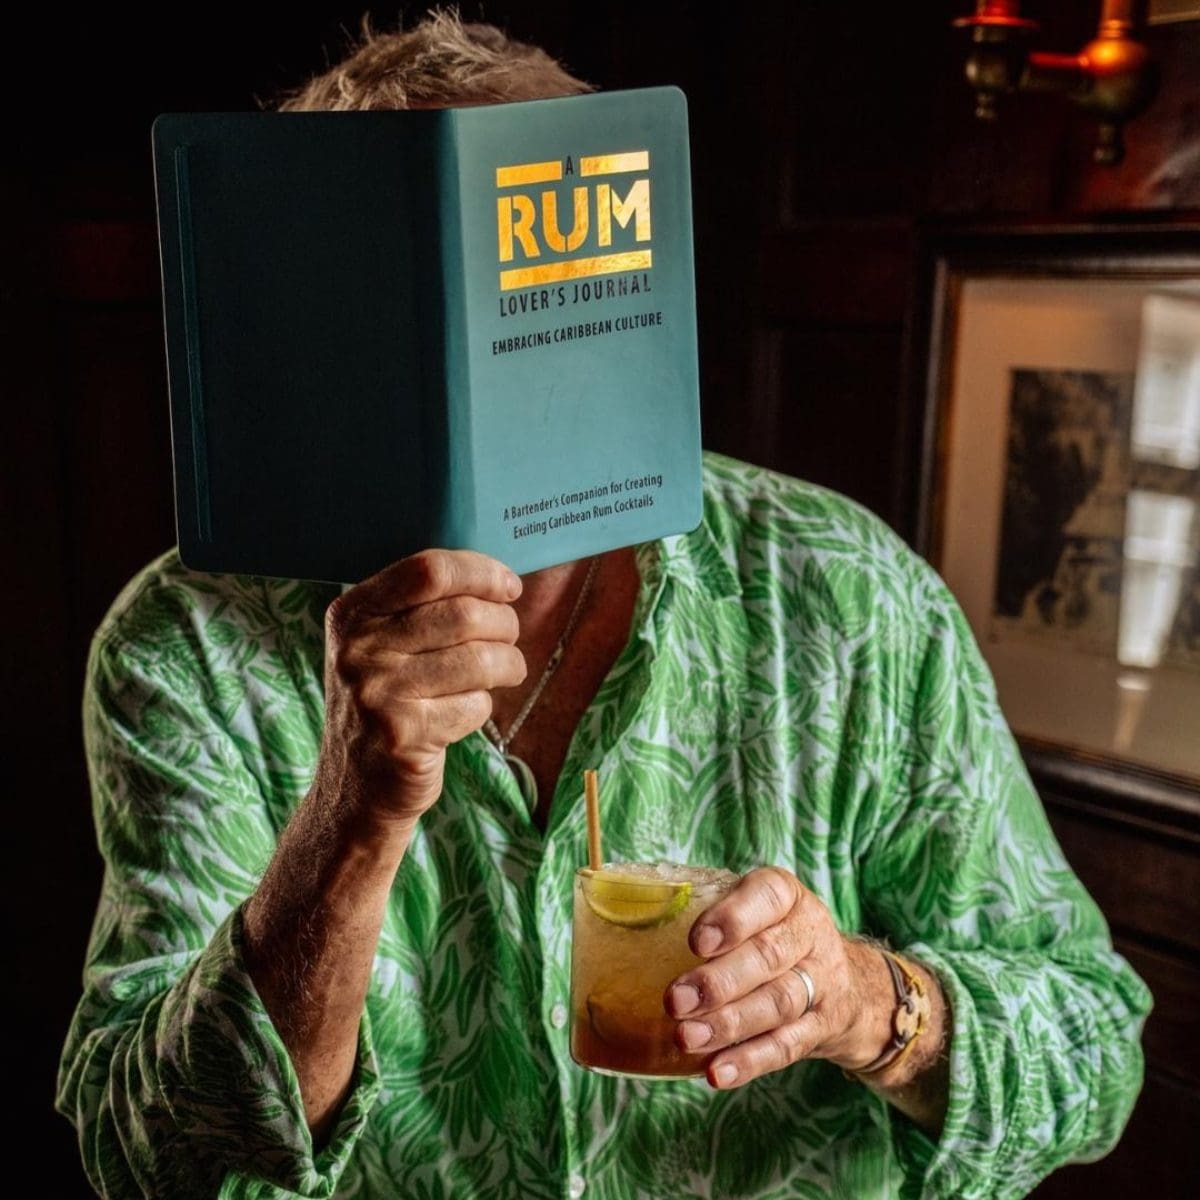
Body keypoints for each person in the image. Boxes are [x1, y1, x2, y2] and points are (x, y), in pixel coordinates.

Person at [56, 11, 1151, 1200]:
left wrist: (856, 1001)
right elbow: (150, 1152)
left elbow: (1093, 1050)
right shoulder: (188, 642)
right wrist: (348, 822)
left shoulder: (844, 594)